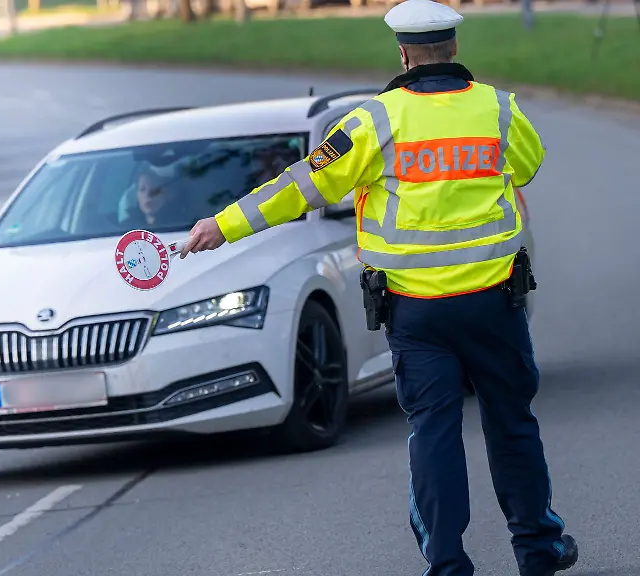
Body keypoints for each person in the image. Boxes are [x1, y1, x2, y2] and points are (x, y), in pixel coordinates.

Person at [178, 1, 578, 575]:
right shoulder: (498, 109)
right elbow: (529, 165)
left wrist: (224, 225)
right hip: (495, 304)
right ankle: (538, 550)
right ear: (454, 50)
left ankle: (447, 564)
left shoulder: (373, 124)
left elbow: (299, 188)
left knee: (434, 433)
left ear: (403, 53)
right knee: (512, 423)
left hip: (418, 316)